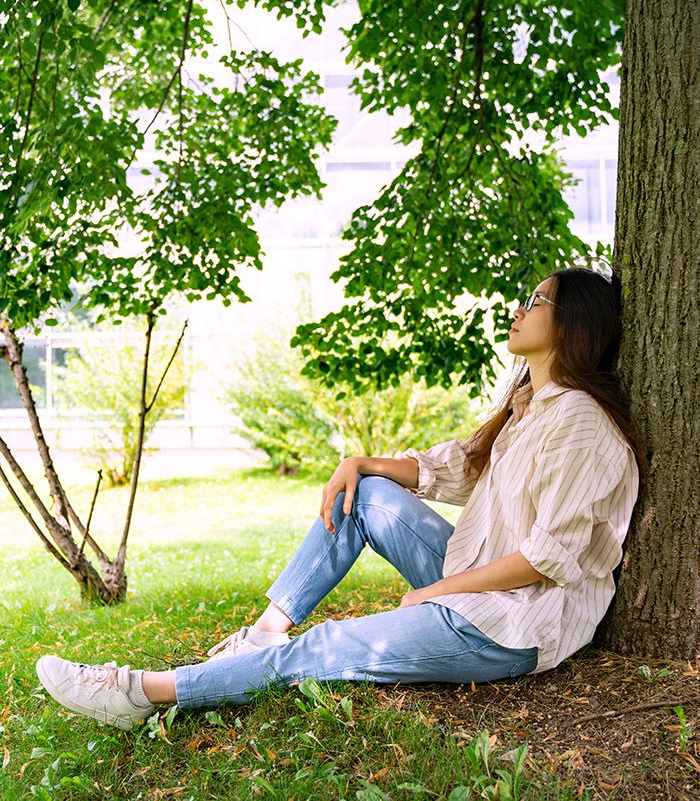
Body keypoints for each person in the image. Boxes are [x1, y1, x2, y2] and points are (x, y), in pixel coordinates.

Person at [36, 267, 640, 731]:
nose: (517, 309)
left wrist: (435, 592)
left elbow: (547, 558)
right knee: (367, 494)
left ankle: (139, 693)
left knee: (329, 648)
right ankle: (267, 630)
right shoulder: (528, 407)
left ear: (573, 325)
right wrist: (360, 462)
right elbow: (459, 467)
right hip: (481, 583)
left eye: (535, 301)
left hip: (514, 622)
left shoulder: (579, 422)